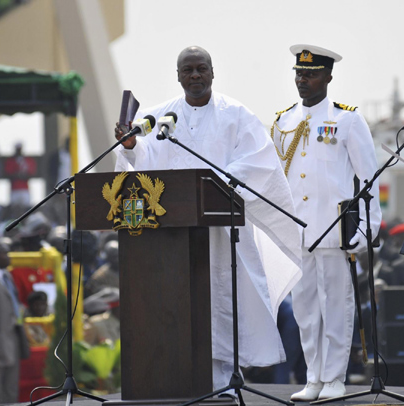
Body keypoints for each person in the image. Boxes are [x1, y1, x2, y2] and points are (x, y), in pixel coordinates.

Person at [114, 46, 302, 396]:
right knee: (175, 305)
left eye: (202, 69)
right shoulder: (156, 118)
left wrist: (213, 183)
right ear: (179, 76)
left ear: (213, 72)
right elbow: (140, 160)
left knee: (223, 304)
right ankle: (177, 379)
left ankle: (223, 384)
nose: (196, 76)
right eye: (188, 70)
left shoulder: (237, 115)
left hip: (222, 231)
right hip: (172, 237)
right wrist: (128, 146)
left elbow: (258, 163)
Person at [270, 44, 381, 401]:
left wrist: (367, 227)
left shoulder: (347, 119)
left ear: (329, 76)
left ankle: (334, 377)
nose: (304, 80)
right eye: (299, 74)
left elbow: (368, 179)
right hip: (297, 230)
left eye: (312, 73)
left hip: (335, 229)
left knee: (336, 304)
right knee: (305, 310)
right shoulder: (283, 121)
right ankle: (314, 377)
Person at [0, 238, 28, 404]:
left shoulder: (6, 276)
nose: (8, 257)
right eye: (3, 253)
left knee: (10, 392)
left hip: (12, 339)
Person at [3, 141, 37, 207]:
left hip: (25, 189)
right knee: (14, 209)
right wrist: (18, 175)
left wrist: (21, 175)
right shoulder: (10, 161)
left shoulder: (27, 160)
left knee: (26, 208)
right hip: (14, 189)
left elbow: (31, 173)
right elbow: (8, 174)